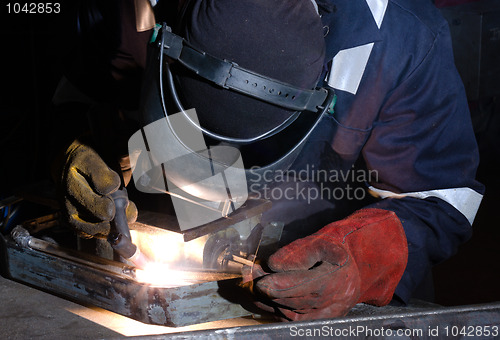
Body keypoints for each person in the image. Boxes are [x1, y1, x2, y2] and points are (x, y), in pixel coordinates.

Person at [53, 0, 484, 321]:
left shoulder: (404, 40)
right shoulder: (139, 14)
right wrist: (85, 155)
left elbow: (442, 197)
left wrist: (362, 259)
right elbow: (83, 102)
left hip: (316, 287)